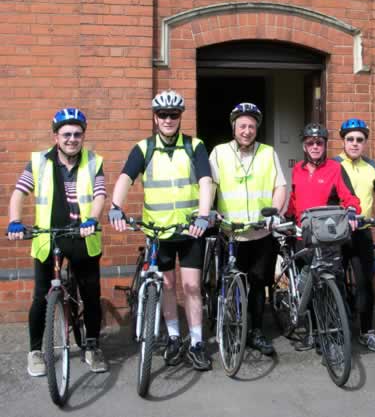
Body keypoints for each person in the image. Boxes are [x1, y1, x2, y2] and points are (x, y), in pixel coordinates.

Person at [108, 90, 213, 371]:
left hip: (190, 230)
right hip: (157, 232)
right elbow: (124, 179)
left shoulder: (195, 146)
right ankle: (175, 337)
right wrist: (116, 206)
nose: (168, 120)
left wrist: (203, 215)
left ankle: (197, 342)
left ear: (180, 118)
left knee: (191, 287)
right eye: (163, 115)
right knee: (167, 287)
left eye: (173, 115)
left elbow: (206, 182)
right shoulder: (143, 148)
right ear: (155, 118)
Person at [7, 108, 108, 376]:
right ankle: (36, 351)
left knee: (90, 295)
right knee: (41, 296)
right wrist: (15, 221)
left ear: (83, 136)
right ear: (56, 136)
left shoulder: (94, 161)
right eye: (66, 134)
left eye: (77, 134)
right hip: (47, 236)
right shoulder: (39, 162)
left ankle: (91, 346)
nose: (72, 139)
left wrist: (92, 219)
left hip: (83, 236)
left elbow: (99, 195)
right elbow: (19, 193)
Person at [209, 102, 287, 355]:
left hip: (260, 232)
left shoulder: (268, 152)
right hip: (231, 233)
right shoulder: (219, 153)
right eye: (242, 125)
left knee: (257, 286)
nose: (247, 130)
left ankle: (255, 331)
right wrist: (209, 208)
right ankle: (231, 327)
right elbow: (210, 184)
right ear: (234, 127)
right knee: (230, 283)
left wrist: (274, 212)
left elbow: (280, 186)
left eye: (252, 126)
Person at [285, 122, 361, 350]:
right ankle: (313, 332)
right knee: (306, 283)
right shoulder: (297, 168)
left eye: (319, 142)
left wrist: (352, 211)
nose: (315, 146)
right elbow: (294, 199)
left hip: (327, 236)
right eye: (311, 143)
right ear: (304, 146)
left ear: (325, 145)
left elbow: (350, 197)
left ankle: (336, 333)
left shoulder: (335, 168)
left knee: (331, 283)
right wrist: (285, 217)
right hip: (302, 234)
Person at [334, 118, 375, 352]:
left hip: (362, 233)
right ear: (343, 141)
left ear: (364, 143)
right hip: (337, 234)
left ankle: (366, 331)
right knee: (335, 282)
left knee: (365, 284)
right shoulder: (334, 164)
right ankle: (336, 328)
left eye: (359, 140)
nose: (354, 144)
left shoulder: (371, 165)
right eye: (350, 139)